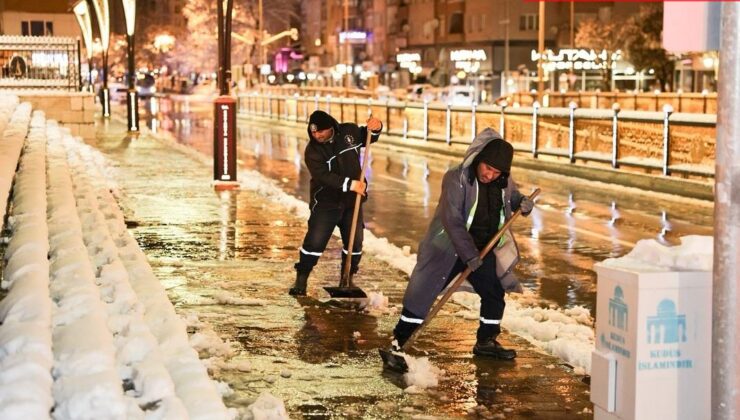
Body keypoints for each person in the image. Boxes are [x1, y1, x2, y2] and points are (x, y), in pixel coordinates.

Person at [389, 128, 534, 359]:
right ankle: (399, 341)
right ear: (478, 159)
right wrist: (469, 255)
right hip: (448, 247)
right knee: (423, 292)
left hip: (482, 248)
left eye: (497, 172)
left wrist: (523, 203)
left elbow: (512, 197)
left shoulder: (503, 181)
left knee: (494, 293)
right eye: (488, 168)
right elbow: (452, 221)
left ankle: (486, 340)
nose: (490, 175)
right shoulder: (457, 178)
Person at [289, 110, 383, 296]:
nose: (317, 136)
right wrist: (350, 184)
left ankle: (347, 278)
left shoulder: (350, 132)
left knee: (354, 244)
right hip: (326, 202)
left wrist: (377, 127)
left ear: (331, 127)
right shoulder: (313, 151)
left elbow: (369, 137)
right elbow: (323, 176)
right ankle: (302, 277)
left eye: (321, 132)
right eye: (313, 132)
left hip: (351, 202)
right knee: (315, 242)